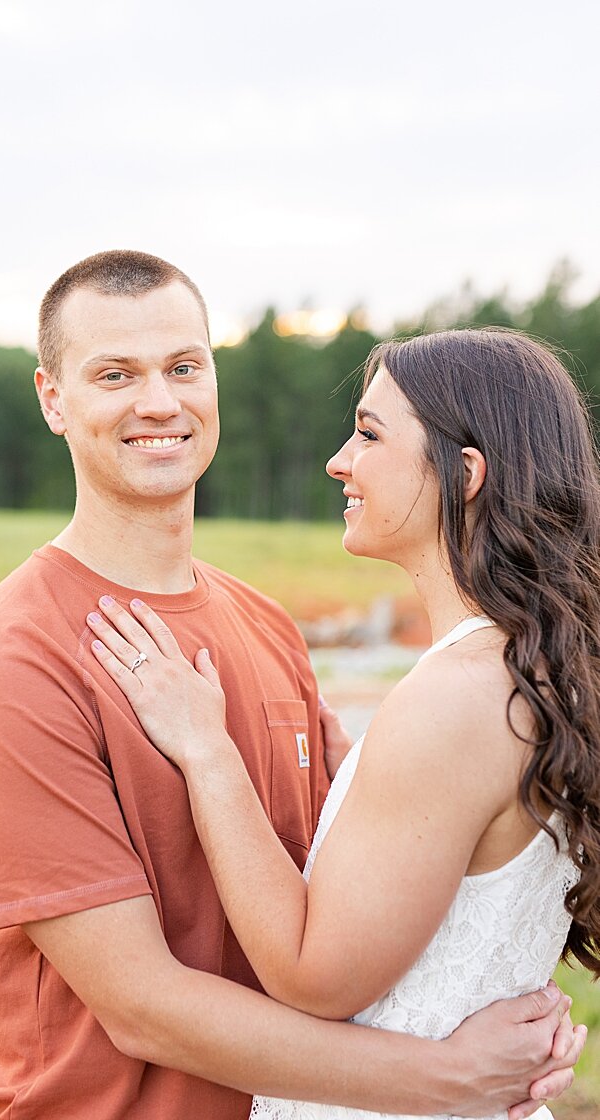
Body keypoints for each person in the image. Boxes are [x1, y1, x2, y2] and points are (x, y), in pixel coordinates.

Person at [0, 250, 583, 1119]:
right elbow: (141, 1007)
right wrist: (450, 1079)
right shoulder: (13, 656)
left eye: (183, 367)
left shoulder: (267, 627)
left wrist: (499, 994)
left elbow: (378, 874)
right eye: (114, 374)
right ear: (53, 398)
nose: (158, 402)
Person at [84, 327, 600, 1120]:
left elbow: (310, 976)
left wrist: (206, 750)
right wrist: (367, 780)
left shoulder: (460, 696)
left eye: (369, 433)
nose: (339, 460)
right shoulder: (535, 672)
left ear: (463, 475)